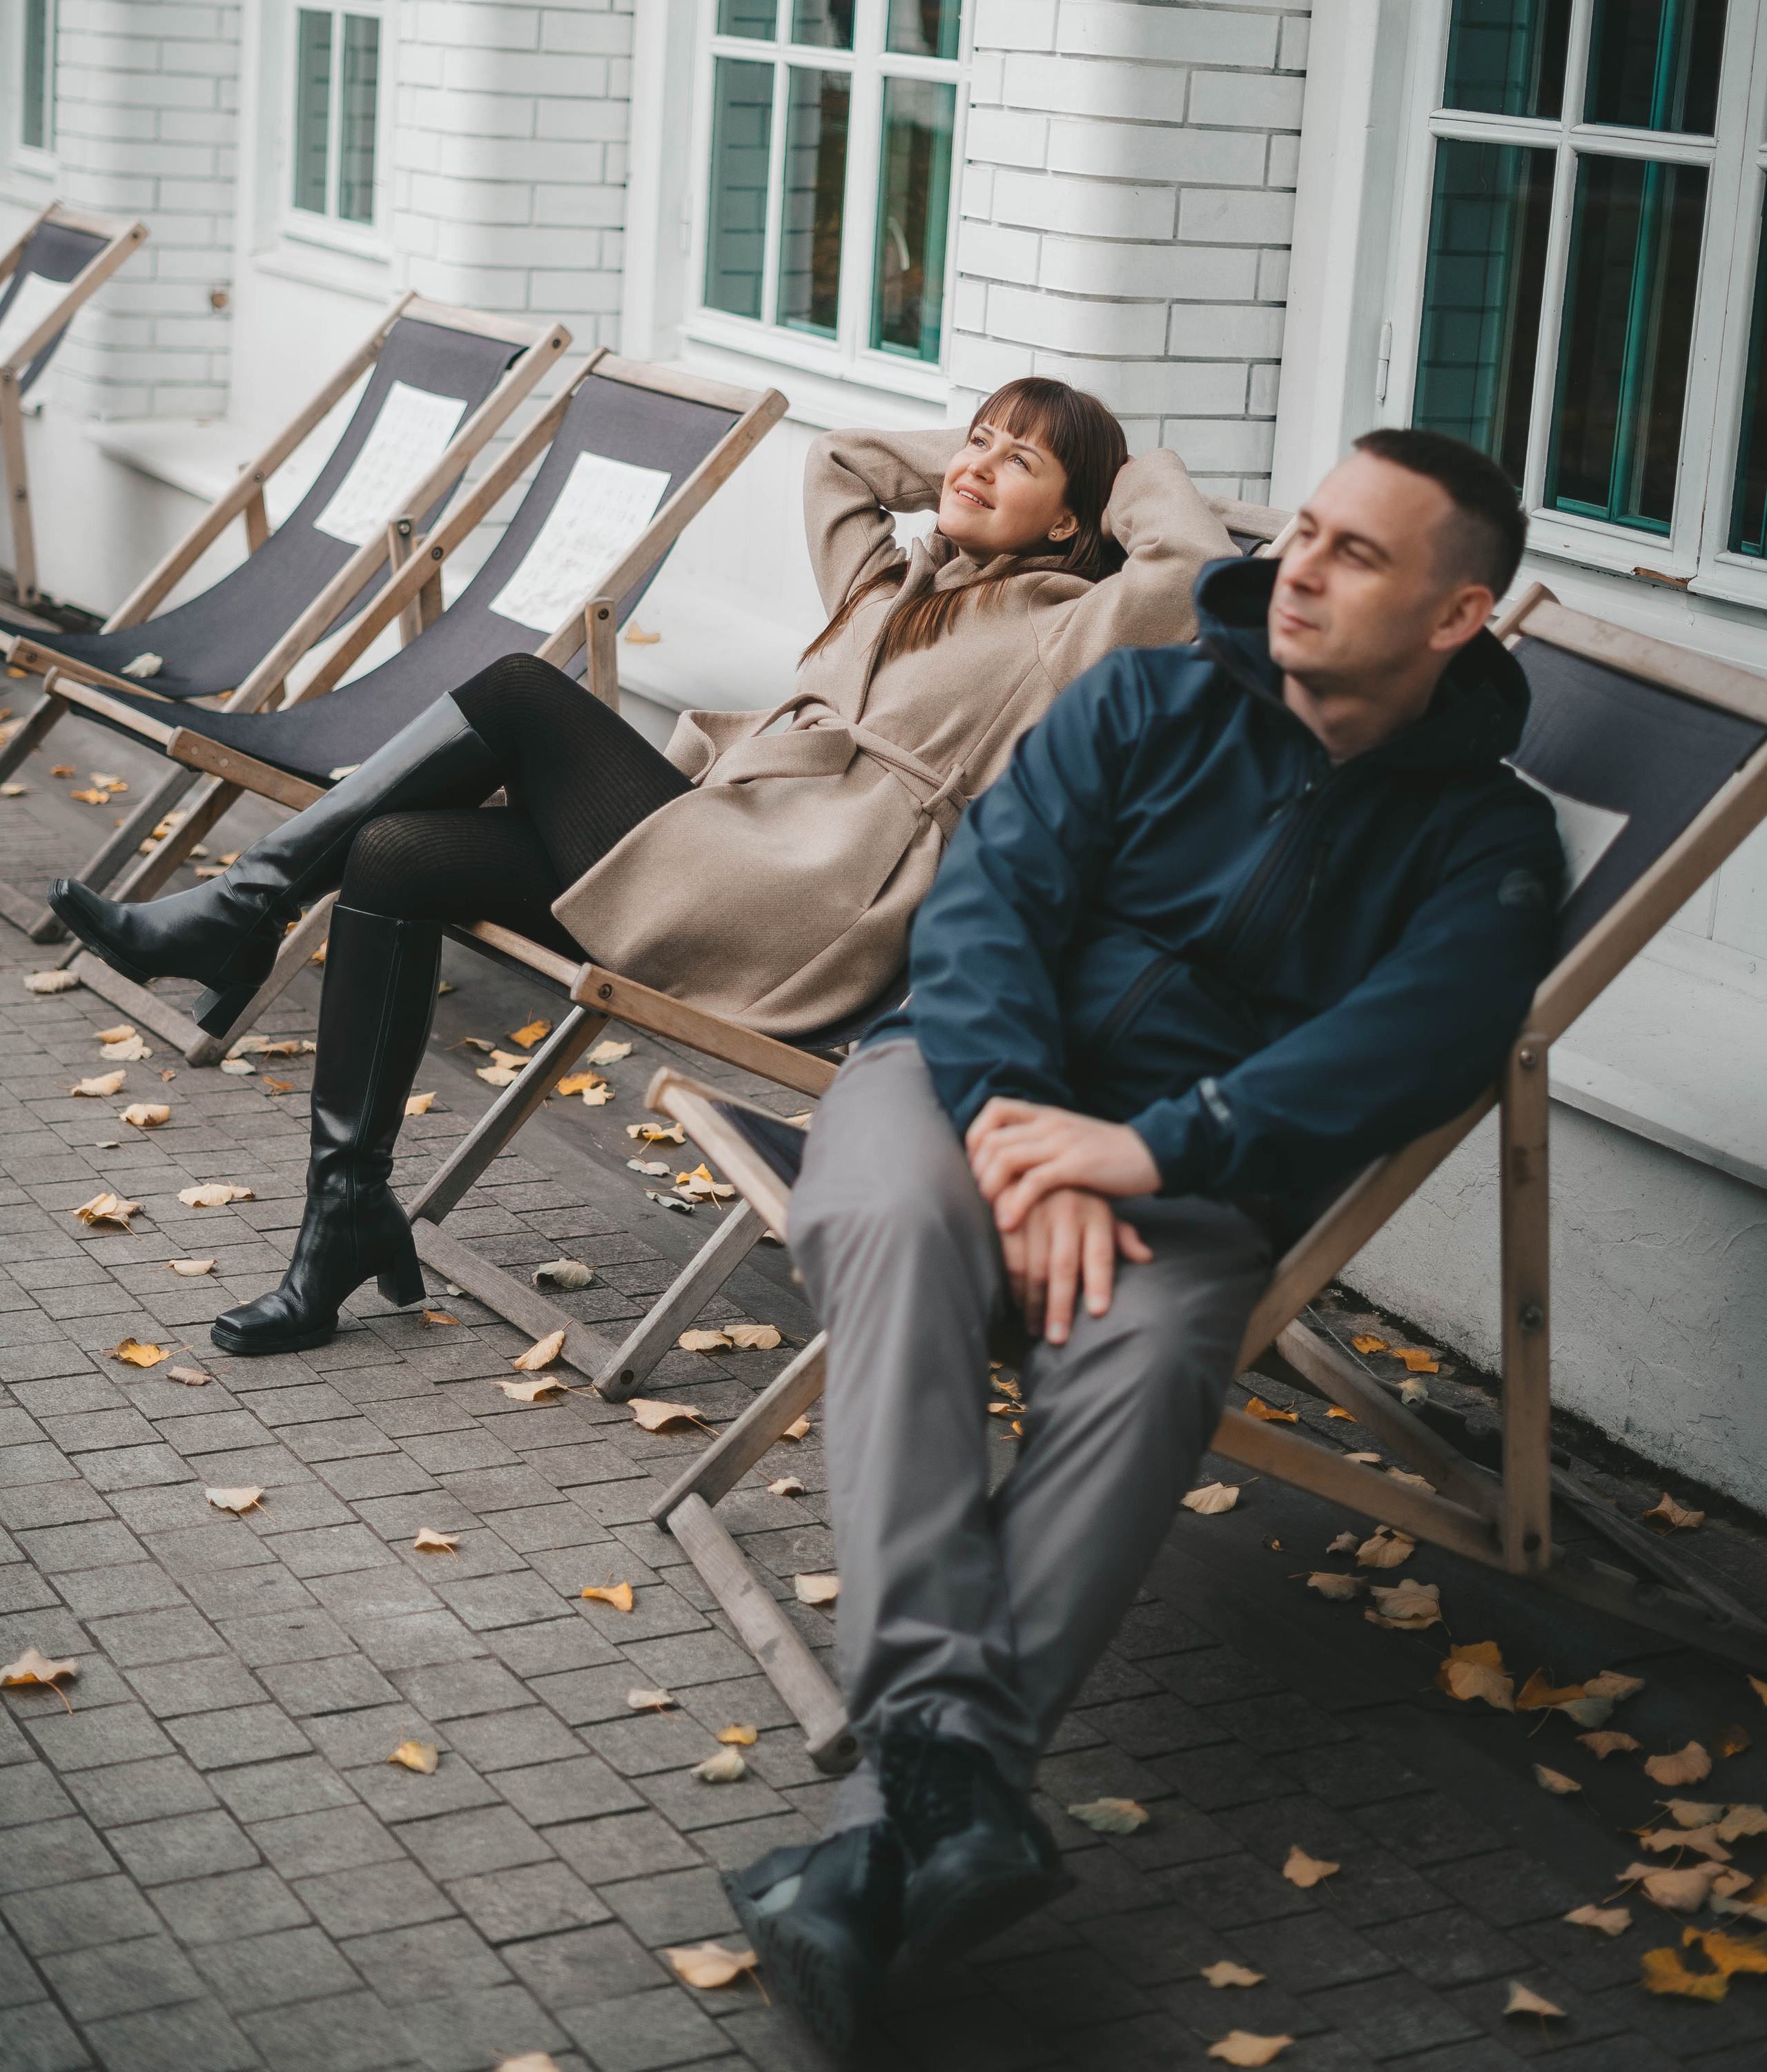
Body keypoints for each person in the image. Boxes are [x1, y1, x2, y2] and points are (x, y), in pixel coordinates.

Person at [725, 428, 1565, 2057]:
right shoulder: (1145, 699)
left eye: (1356, 554)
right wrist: (1034, 1135)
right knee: (887, 1215)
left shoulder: (1489, 841)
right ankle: (950, 1765)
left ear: (1459, 614)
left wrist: (1149, 1147)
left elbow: (1422, 1034)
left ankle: (896, 1833)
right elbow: (986, 911)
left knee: (1158, 1348)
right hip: (960, 1083)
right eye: (1303, 530)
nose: (1299, 568)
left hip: (1185, 1176)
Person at [50, 379, 1233, 1358]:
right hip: (709, 850)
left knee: (517, 690)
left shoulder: (1066, 625)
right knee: (395, 854)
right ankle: (344, 1218)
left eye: (1018, 462)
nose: (974, 464)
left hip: (797, 905)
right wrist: (991, 464)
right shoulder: (890, 583)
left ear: (1075, 522)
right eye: (972, 440)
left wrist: (1120, 464)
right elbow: (840, 462)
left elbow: (1188, 571)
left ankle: (245, 907)